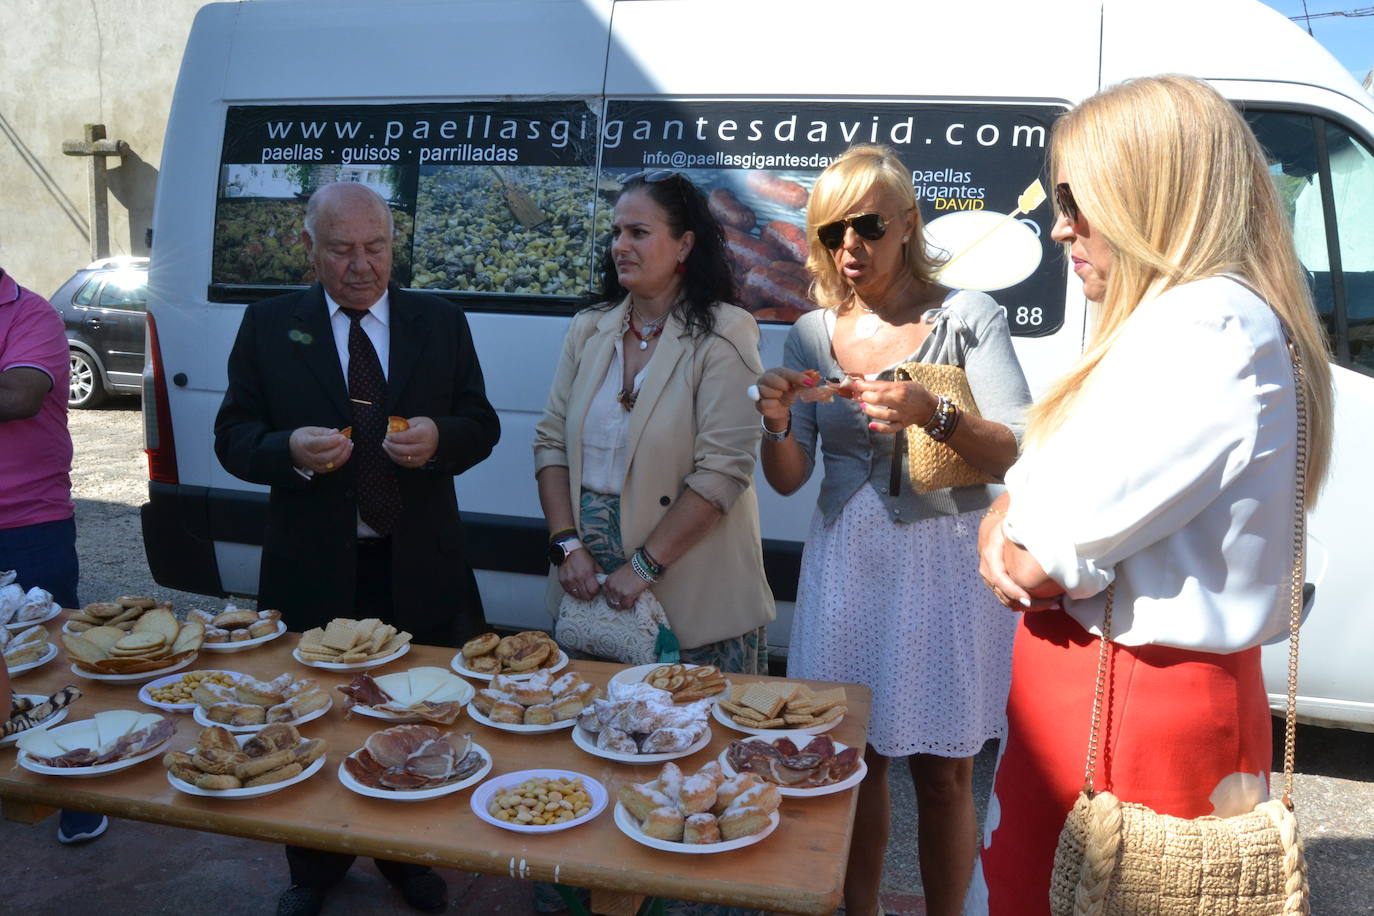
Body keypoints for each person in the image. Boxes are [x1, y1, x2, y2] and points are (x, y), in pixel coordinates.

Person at [967, 75, 1335, 914]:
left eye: (1078, 199)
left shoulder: (1202, 326)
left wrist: (1008, 515)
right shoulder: (1211, 319)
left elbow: (1032, 555)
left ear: (1149, 196)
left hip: (1124, 706)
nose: (1060, 224)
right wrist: (1017, 507)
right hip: (1136, 695)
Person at [751, 145, 1029, 916]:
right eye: (834, 229)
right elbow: (787, 476)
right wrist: (774, 419)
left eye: (869, 225)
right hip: (847, 562)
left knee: (944, 771)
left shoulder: (966, 315)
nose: (851, 247)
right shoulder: (810, 334)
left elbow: (1017, 443)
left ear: (908, 223)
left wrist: (931, 411)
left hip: (943, 564)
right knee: (854, 760)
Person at [214, 182, 500, 916]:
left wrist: (442, 438)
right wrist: (289, 450)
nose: (362, 265)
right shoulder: (271, 324)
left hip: (419, 569)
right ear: (309, 248)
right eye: (341, 250)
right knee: (310, 721)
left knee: (423, 718)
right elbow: (232, 436)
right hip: (314, 573)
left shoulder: (439, 321)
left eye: (375, 247)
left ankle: (412, 858)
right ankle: (314, 865)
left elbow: (481, 421)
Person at [533, 170, 775, 674]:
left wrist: (643, 568)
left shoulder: (726, 332)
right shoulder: (589, 328)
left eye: (638, 233)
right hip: (587, 589)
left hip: (689, 594)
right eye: (617, 233)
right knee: (593, 742)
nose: (621, 245)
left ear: (685, 245)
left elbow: (723, 473)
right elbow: (550, 442)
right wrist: (566, 545)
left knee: (692, 743)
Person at [0, 265, 106, 845]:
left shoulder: (29, 312)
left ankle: (77, 800)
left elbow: (18, 396)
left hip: (27, 522)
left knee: (48, 667)